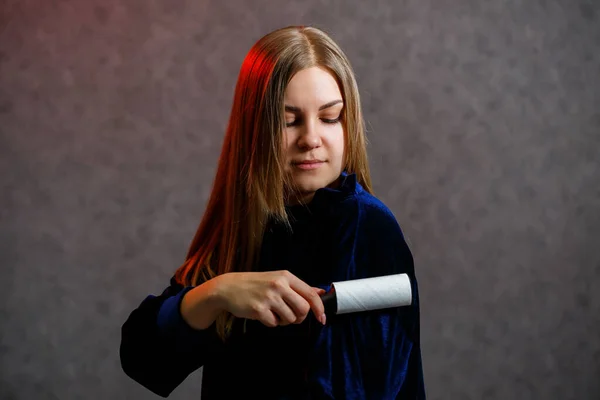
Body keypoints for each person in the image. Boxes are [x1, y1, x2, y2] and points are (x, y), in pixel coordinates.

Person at [119, 25, 425, 399]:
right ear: (255, 130)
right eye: (289, 120)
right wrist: (217, 293)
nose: (311, 138)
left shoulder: (365, 225)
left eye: (330, 117)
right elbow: (143, 359)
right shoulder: (245, 227)